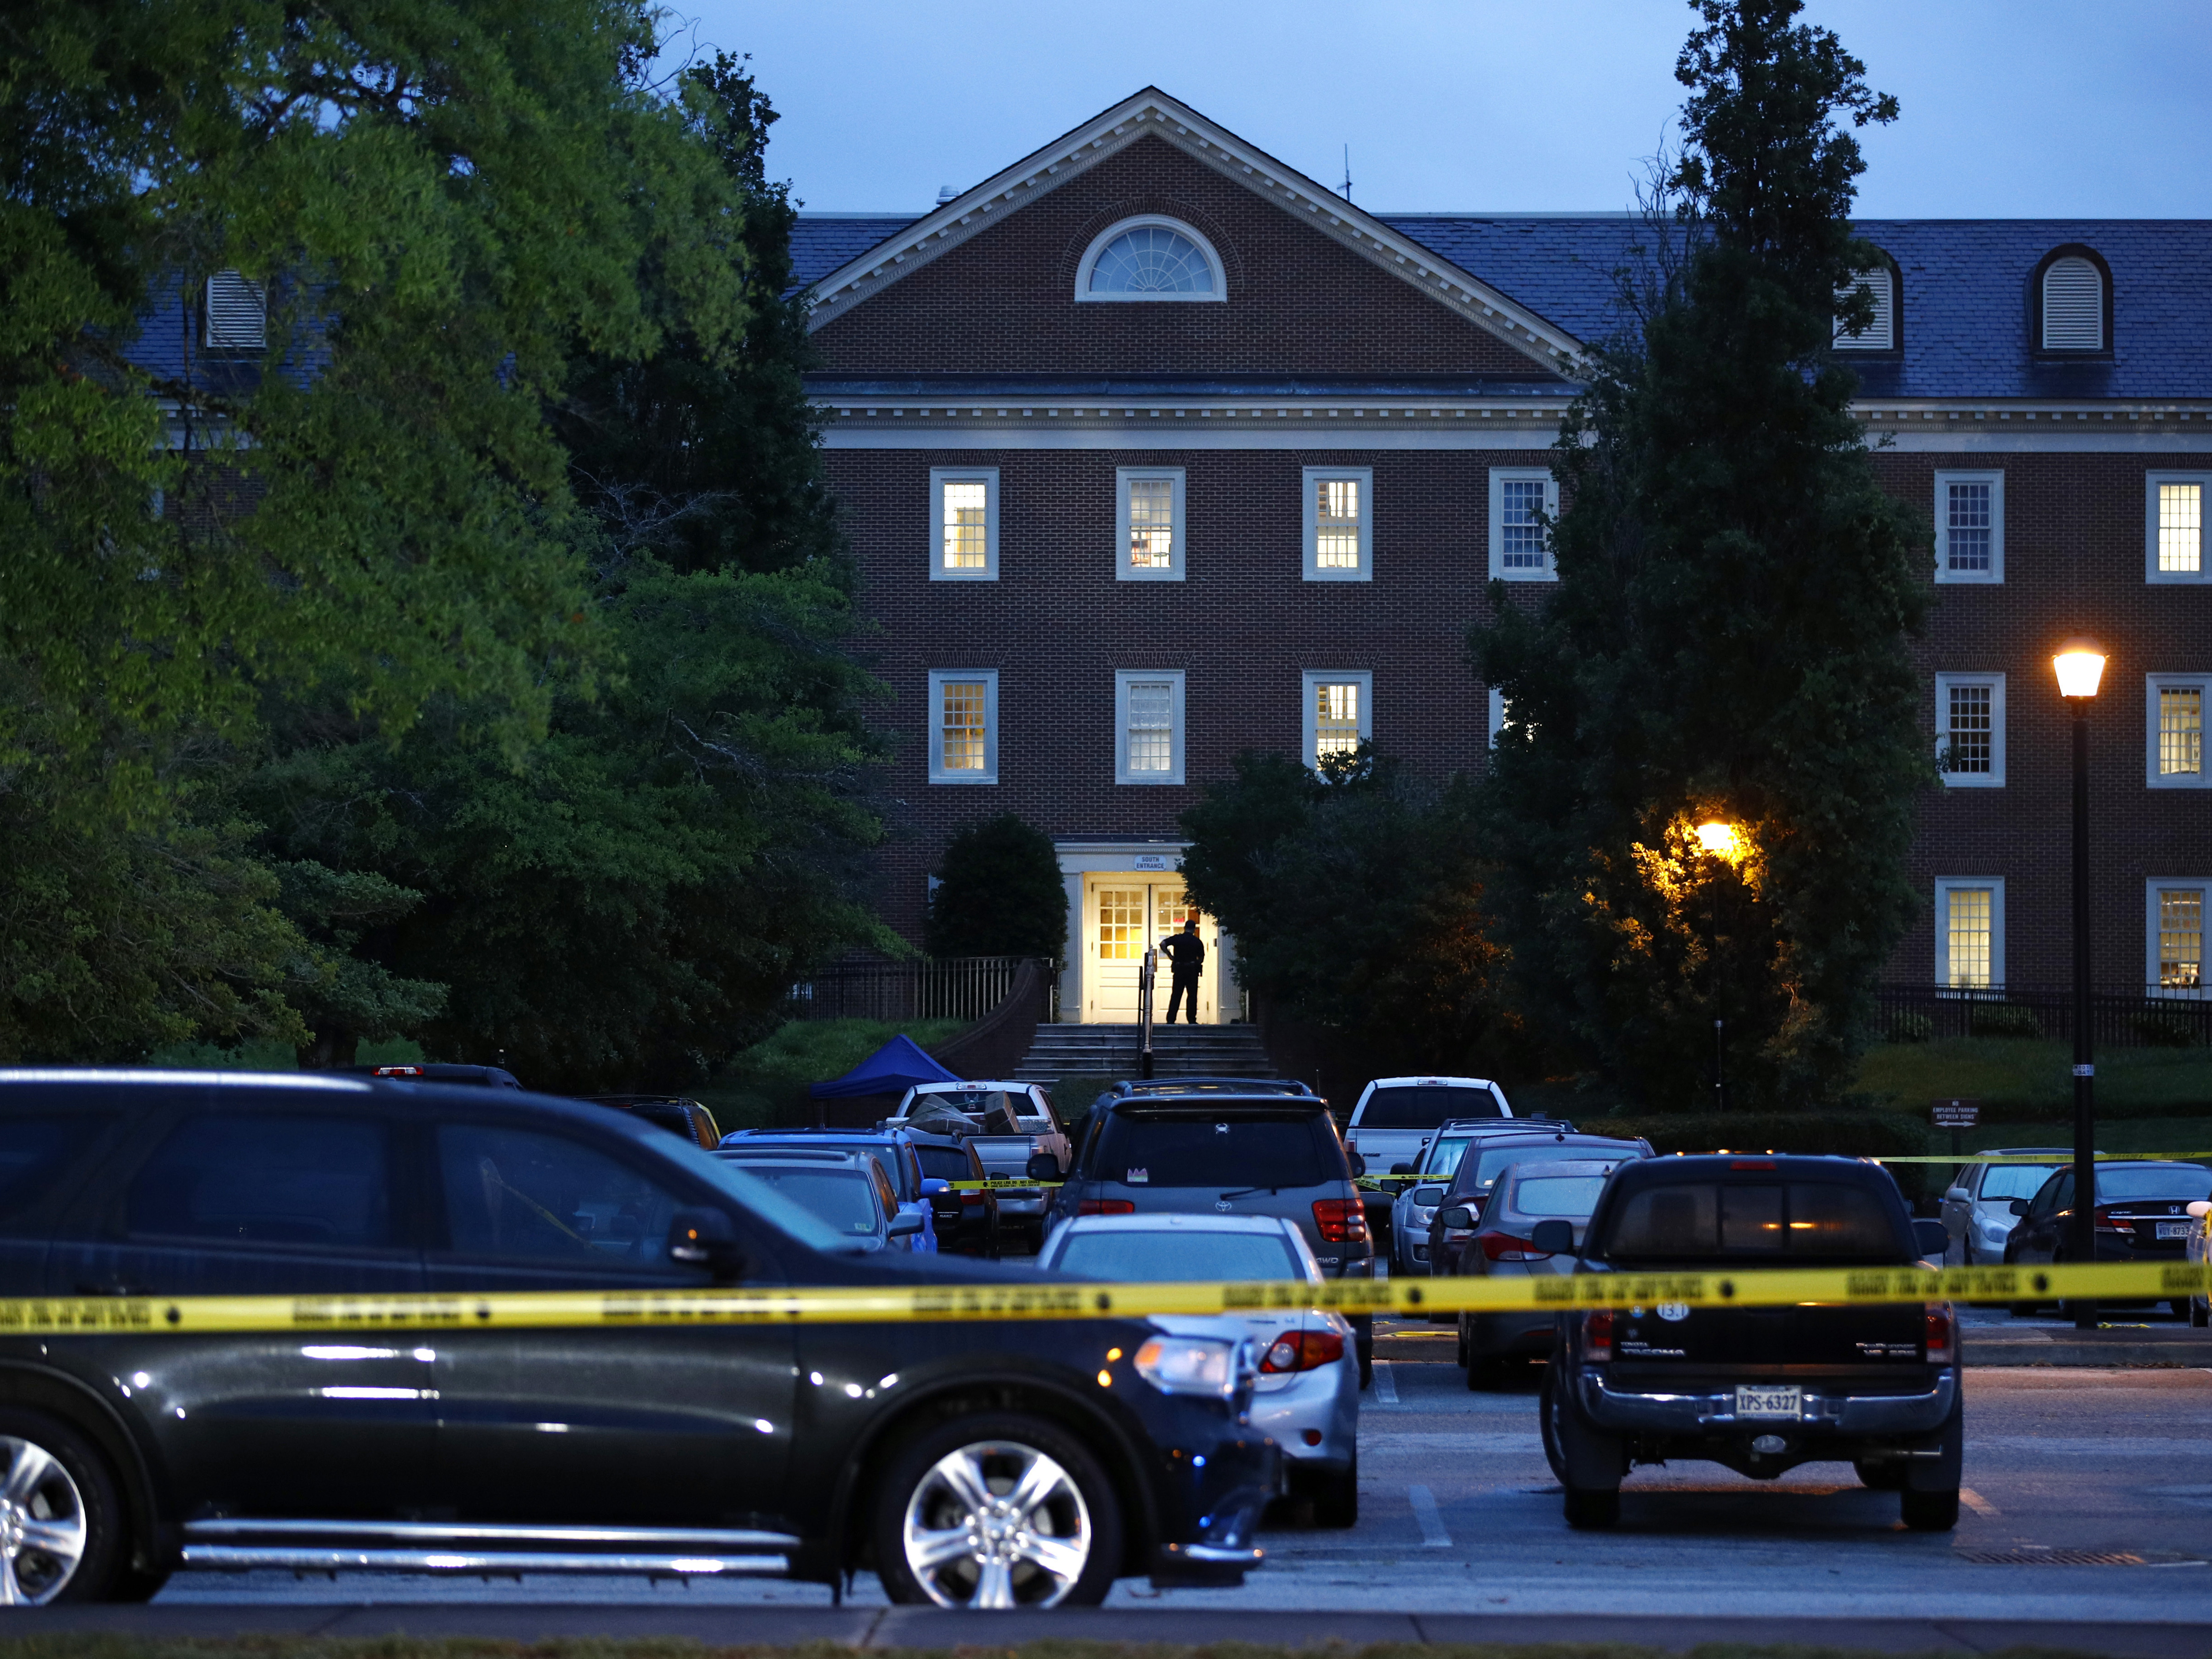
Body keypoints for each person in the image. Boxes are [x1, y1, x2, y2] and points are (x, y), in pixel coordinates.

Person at [1159, 917, 1205, 1024]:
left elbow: (1163, 944)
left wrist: (1170, 955)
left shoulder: (1178, 939)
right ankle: (1192, 1020)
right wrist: (1196, 963)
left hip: (1179, 970)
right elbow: (1202, 958)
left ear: (1185, 928)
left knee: (1176, 995)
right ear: (1194, 930)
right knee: (1192, 996)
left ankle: (1171, 1019)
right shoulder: (1197, 942)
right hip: (1192, 971)